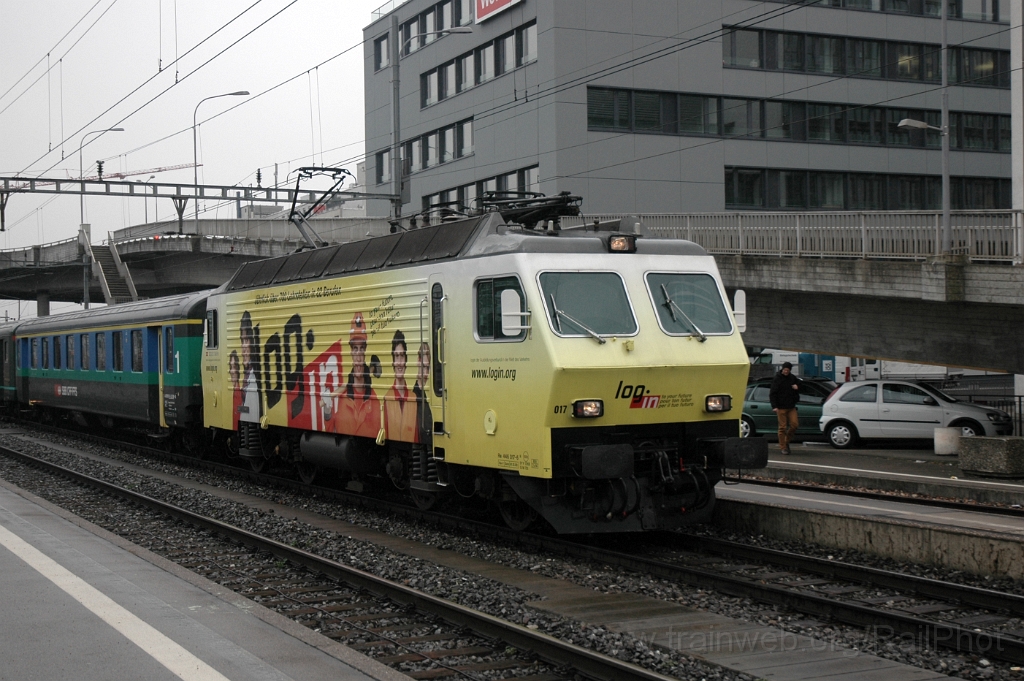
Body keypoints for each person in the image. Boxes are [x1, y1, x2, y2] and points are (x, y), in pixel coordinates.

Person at [339, 312, 381, 439]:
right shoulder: (343, 399)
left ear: (365, 351)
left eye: (361, 348)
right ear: (351, 352)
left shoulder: (374, 400)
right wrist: (327, 413)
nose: (358, 355)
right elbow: (332, 427)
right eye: (355, 349)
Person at [384, 330, 417, 442]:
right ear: (392, 361)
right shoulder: (387, 398)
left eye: (402, 356)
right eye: (396, 356)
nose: (399, 362)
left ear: (406, 360)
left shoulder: (414, 398)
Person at [769, 361, 800, 455]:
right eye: (785, 369)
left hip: (791, 406)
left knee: (795, 425)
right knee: (782, 427)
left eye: (788, 370)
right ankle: (783, 447)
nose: (786, 371)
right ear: (782, 369)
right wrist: (774, 406)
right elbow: (772, 393)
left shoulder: (792, 378)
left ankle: (786, 441)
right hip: (781, 407)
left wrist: (797, 387)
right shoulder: (777, 379)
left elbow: (801, 385)